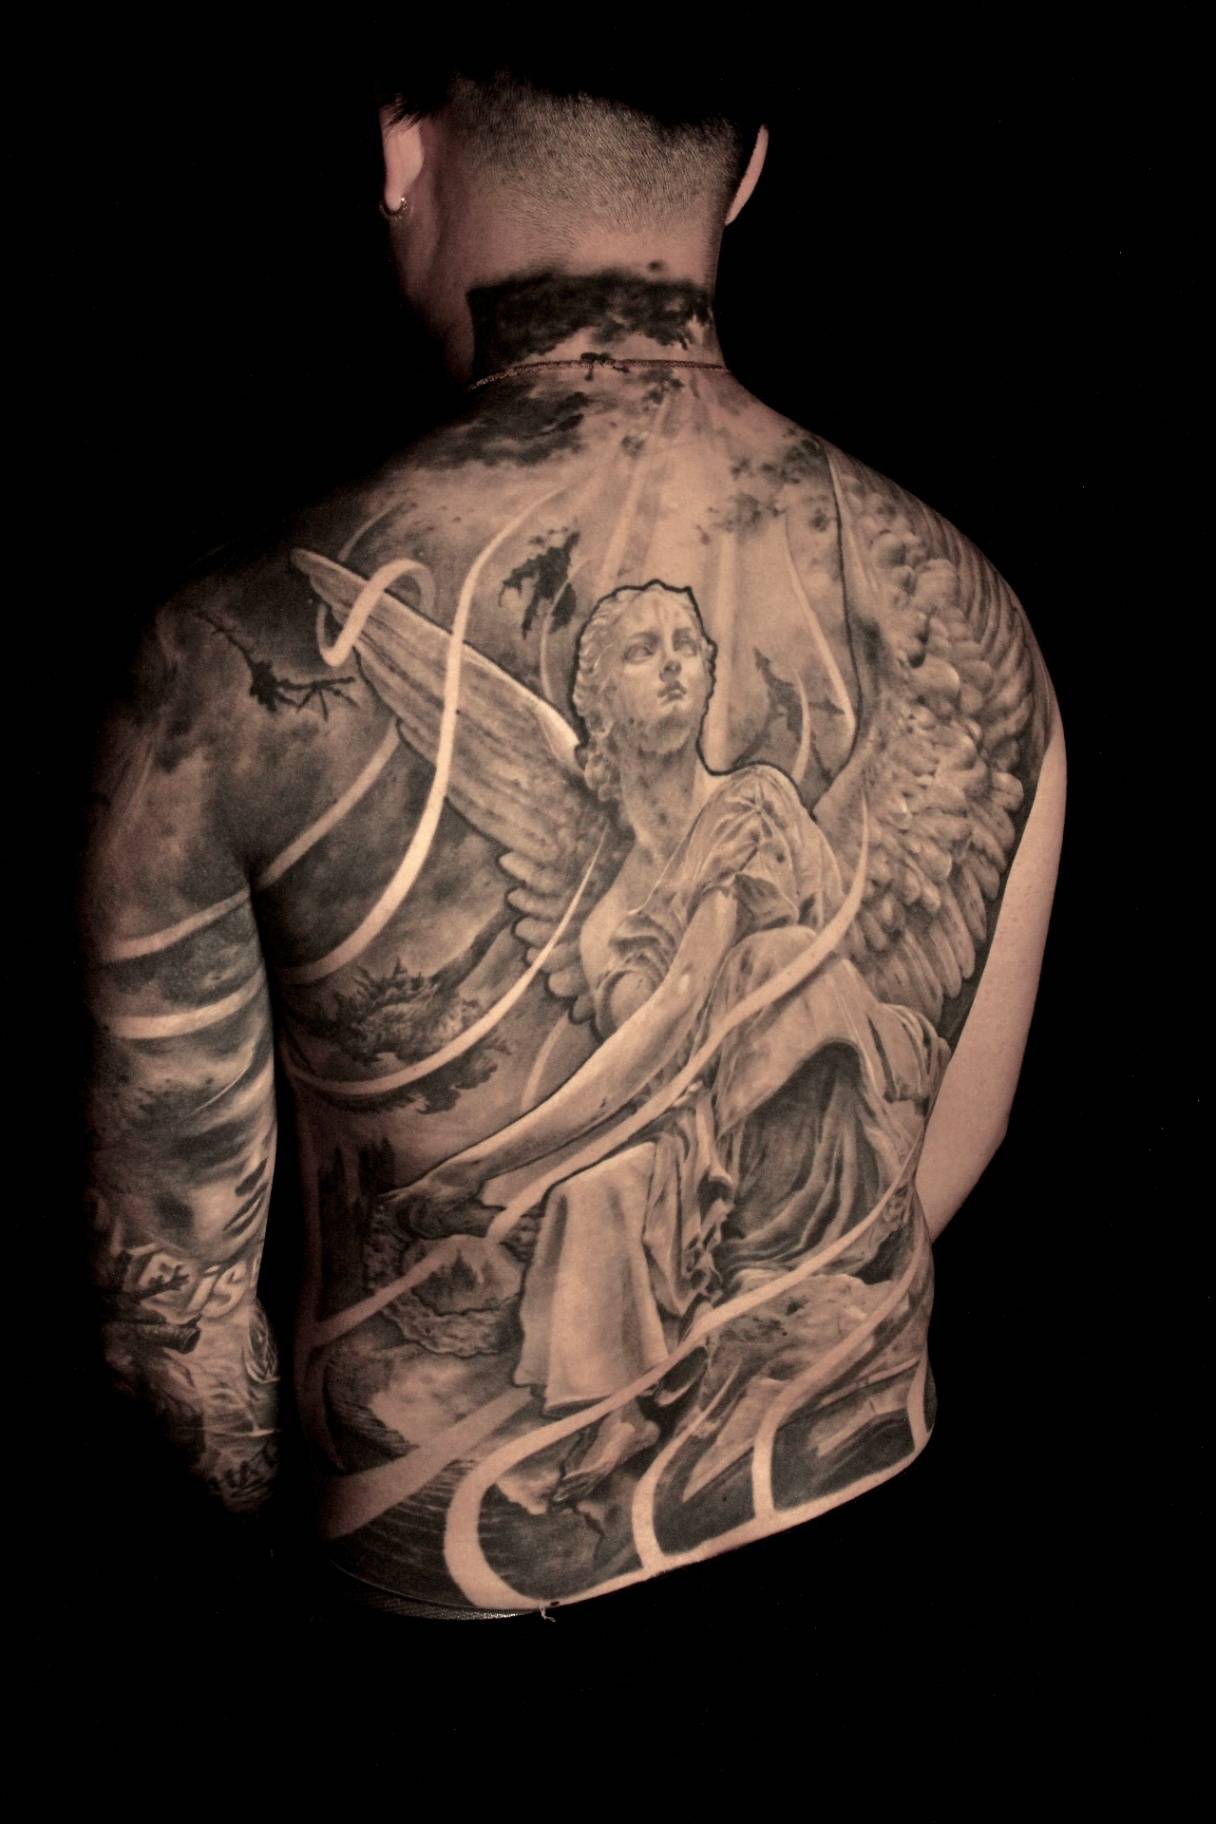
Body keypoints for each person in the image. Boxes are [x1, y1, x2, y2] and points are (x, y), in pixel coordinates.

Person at [78, 48, 1066, 1623]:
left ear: (401, 149)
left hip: (459, 1602)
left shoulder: (218, 658)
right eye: (640, 654)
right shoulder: (974, 610)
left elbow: (168, 1321)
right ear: (748, 170)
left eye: (686, 650)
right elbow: (952, 1136)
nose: (673, 667)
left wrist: (301, 1569)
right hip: (868, 1534)